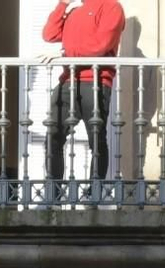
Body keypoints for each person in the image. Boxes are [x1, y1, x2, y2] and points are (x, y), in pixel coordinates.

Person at [40, 0, 125, 188]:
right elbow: (49, 34)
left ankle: (94, 194)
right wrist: (62, 5)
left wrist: (65, 55)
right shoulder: (74, 10)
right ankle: (54, 194)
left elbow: (101, 45)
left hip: (95, 81)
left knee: (96, 138)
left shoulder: (111, 7)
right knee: (53, 135)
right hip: (68, 80)